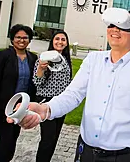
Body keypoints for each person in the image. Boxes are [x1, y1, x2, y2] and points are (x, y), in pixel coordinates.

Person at [7, 8, 130, 162]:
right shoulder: (93, 60)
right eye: (111, 25)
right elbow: (73, 95)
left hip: (122, 156)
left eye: (124, 26)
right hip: (85, 151)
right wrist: (45, 109)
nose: (115, 29)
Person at [0, 24, 37, 162]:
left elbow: (36, 81)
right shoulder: (3, 56)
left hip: (21, 108)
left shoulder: (33, 58)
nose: (21, 40)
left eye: (25, 37)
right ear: (12, 39)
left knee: (13, 139)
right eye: (18, 37)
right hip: (4, 107)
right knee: (5, 141)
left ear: (29, 40)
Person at [33, 30, 72, 162]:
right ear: (52, 41)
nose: (60, 42)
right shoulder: (44, 57)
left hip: (61, 103)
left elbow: (68, 81)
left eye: (63, 39)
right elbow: (37, 82)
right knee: (47, 138)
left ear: (66, 43)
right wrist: (41, 69)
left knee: (54, 137)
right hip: (46, 102)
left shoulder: (66, 59)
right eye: (57, 39)